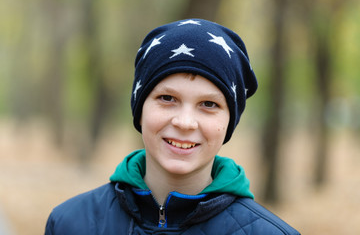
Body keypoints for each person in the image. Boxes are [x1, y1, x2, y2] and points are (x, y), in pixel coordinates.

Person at [45, 19, 300, 234]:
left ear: (229, 121)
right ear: (140, 109)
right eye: (167, 98)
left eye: (209, 104)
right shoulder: (70, 223)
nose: (184, 122)